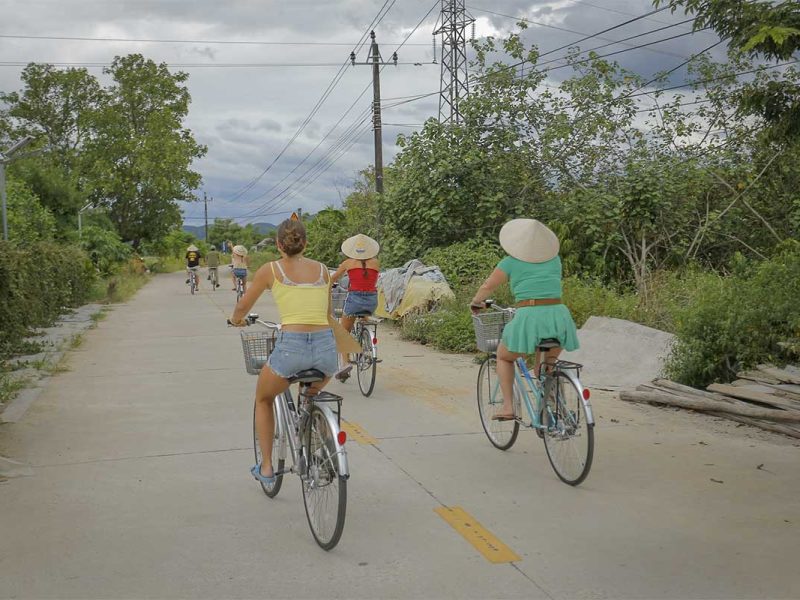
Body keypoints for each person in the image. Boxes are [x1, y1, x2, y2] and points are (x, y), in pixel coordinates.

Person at [229, 219, 344, 485]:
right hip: (326, 351)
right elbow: (326, 314)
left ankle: (267, 467)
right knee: (311, 394)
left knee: (263, 398)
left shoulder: (270, 270)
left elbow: (242, 307)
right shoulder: (323, 271)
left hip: (292, 348)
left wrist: (236, 320)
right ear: (305, 242)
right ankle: (315, 435)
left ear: (279, 244)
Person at [470, 219, 579, 421]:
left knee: (503, 356)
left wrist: (477, 302)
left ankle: (509, 407)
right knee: (546, 368)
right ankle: (555, 409)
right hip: (559, 316)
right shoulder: (555, 260)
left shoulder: (510, 262)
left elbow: (488, 286)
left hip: (530, 316)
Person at [331, 234, 380, 380]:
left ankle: (345, 363)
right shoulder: (376, 263)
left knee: (342, 332)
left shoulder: (348, 263)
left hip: (355, 300)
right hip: (372, 301)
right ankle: (366, 346)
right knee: (363, 313)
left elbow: (333, 278)